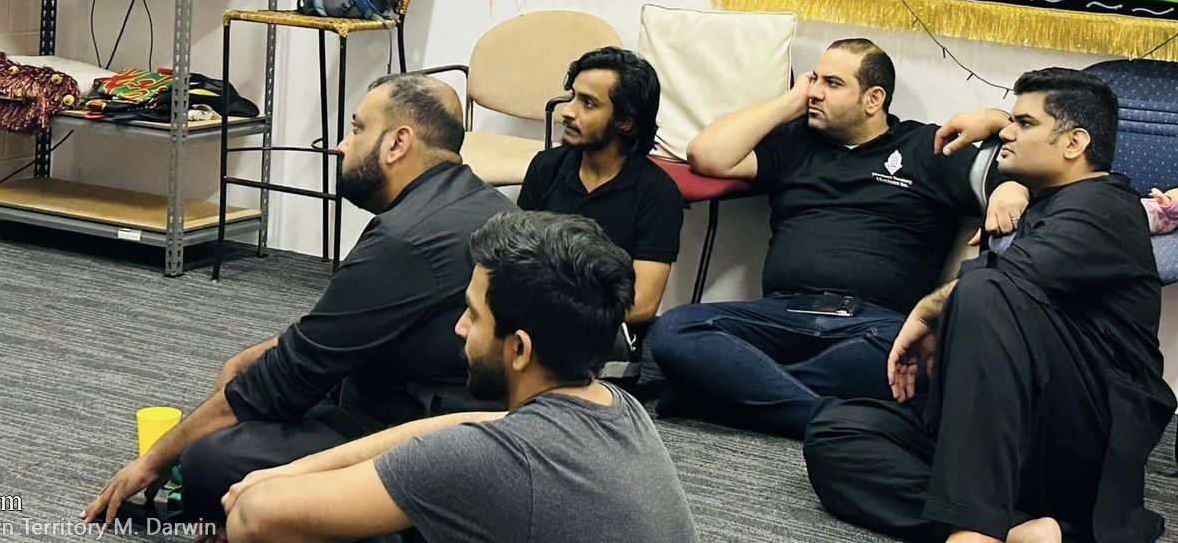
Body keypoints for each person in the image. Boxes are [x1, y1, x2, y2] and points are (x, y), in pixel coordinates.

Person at [82, 73, 513, 528]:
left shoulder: (406, 240)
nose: (343, 146)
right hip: (434, 406)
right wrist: (249, 359)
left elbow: (285, 379)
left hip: (430, 442)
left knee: (212, 461)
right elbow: (336, 331)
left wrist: (156, 458)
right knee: (250, 387)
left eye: (358, 128)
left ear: (397, 143)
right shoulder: (471, 204)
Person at [803, 67, 1175, 543]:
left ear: (1074, 143)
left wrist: (929, 310)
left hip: (1083, 429)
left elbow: (1006, 279)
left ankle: (974, 530)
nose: (1008, 133)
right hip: (1005, 428)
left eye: (1024, 123)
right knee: (836, 433)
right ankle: (1028, 529)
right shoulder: (1044, 201)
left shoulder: (1105, 205)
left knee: (982, 289)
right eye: (1011, 121)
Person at [221, 210, 700, 543]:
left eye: (473, 315)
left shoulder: (490, 461)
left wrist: (263, 489)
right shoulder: (618, 409)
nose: (459, 328)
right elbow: (456, 428)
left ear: (519, 349)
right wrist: (289, 470)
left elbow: (255, 517)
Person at [646, 37, 1028, 438]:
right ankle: (823, 415)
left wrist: (1010, 184)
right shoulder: (797, 143)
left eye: (832, 83)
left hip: (873, 327)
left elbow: (1030, 162)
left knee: (919, 361)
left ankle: (723, 394)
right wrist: (790, 101)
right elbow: (706, 154)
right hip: (781, 316)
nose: (815, 91)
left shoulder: (928, 147)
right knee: (675, 330)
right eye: (814, 79)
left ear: (873, 99)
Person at [517, 47, 683, 327]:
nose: (568, 112)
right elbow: (515, 256)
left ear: (625, 121)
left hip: (600, 332)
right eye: (572, 97)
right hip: (535, 321)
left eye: (588, 103)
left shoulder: (658, 195)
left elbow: (642, 304)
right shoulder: (547, 167)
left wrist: (557, 320)